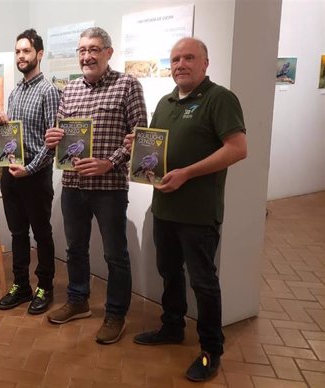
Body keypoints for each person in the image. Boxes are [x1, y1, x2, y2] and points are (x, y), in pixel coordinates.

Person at [129, 37, 247, 382]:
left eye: (189, 58)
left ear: (205, 63)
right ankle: (172, 326)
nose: (181, 64)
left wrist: (188, 173)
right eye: (176, 59)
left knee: (203, 282)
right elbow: (158, 149)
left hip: (198, 212)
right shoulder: (166, 102)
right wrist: (136, 146)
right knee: (169, 272)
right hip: (164, 207)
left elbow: (238, 149)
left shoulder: (219, 99)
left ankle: (212, 350)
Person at [44, 27, 147, 344]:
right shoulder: (70, 89)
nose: (87, 55)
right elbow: (59, 136)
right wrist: (52, 140)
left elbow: (142, 138)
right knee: (75, 248)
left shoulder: (127, 85)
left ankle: (115, 314)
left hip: (110, 186)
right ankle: (78, 301)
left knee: (116, 255)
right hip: (73, 184)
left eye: (94, 49)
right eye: (82, 50)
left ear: (108, 52)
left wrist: (110, 162)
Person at [0, 29, 60, 315]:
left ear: (39, 54)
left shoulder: (49, 92)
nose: (21, 56)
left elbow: (53, 142)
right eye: (18, 51)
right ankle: (21, 285)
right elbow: (12, 137)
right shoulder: (15, 92)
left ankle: (45, 287)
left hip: (35, 175)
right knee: (17, 233)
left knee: (41, 233)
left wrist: (29, 169)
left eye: (26, 51)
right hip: (11, 175)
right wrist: (1, 124)